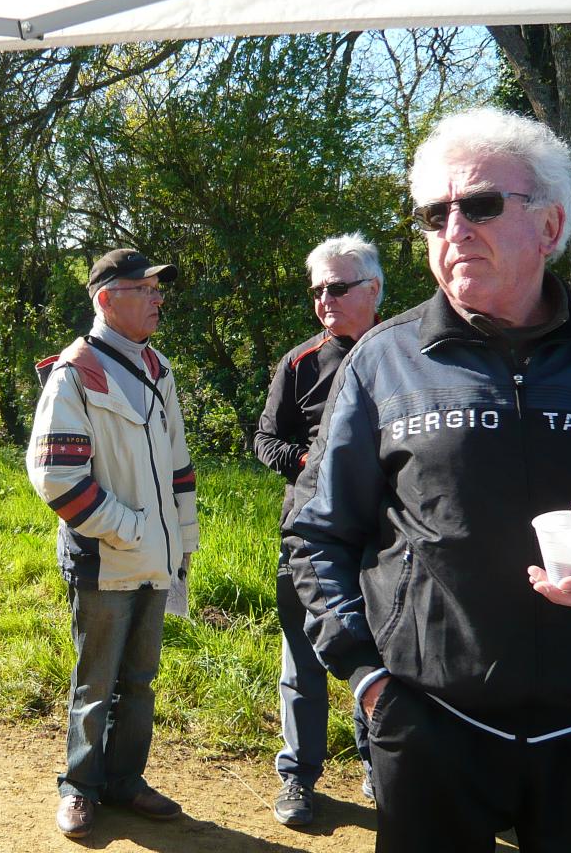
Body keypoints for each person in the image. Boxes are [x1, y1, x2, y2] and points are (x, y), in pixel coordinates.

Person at [285, 107, 571, 852]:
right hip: (429, 727)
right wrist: (364, 677)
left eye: (480, 205)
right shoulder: (383, 362)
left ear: (550, 227)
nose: (454, 228)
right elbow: (317, 532)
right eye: (434, 213)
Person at [27, 248, 199, 840]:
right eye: (145, 289)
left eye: (158, 289)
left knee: (140, 679)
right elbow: (57, 477)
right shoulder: (75, 372)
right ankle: (80, 786)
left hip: (156, 557)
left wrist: (181, 539)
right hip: (103, 558)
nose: (158, 299)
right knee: (94, 681)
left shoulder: (159, 368)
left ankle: (126, 781)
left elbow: (178, 464)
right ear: (106, 299)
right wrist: (129, 529)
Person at [254, 232, 382, 826]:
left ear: (373, 290)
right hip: (307, 535)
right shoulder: (300, 362)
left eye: (338, 287)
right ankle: (297, 778)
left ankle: (380, 771)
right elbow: (265, 441)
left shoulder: (405, 354)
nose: (325, 300)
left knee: (379, 653)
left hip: (382, 541)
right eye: (317, 291)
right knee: (302, 659)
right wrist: (310, 464)